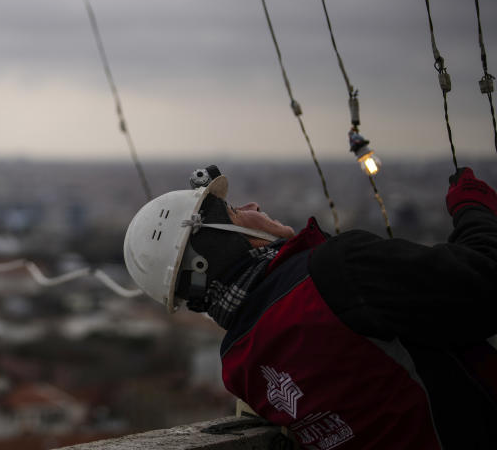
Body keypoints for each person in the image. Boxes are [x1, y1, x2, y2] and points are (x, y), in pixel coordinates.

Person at [123, 165, 497, 449]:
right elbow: (486, 281)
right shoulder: (338, 271)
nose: (253, 206)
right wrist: (474, 208)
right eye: (236, 212)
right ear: (227, 244)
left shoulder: (242, 367)